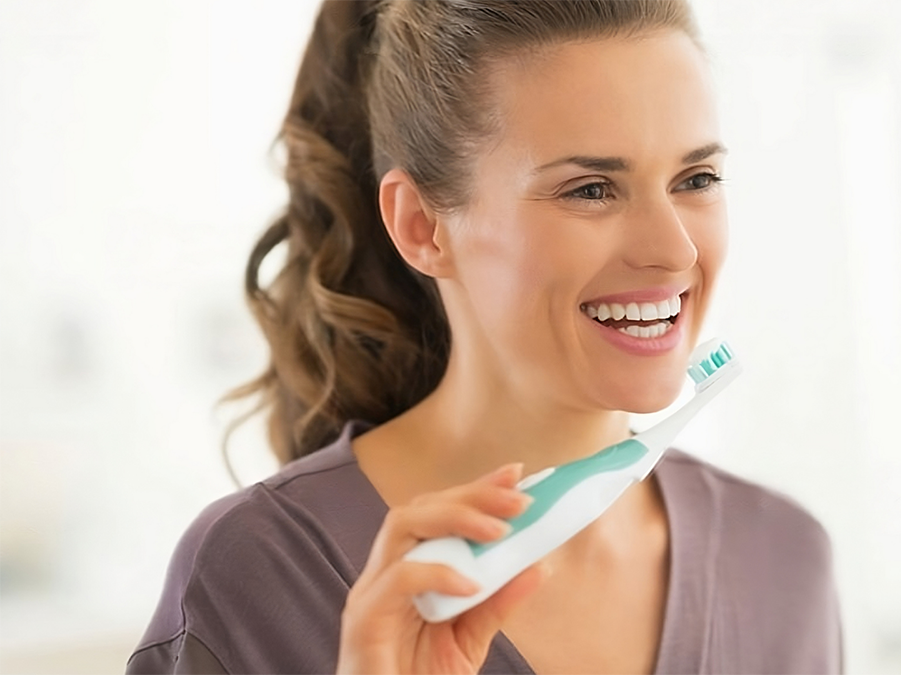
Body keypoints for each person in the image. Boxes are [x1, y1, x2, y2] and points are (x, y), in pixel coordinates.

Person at [126, 0, 843, 673]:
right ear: (422, 225)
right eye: (590, 188)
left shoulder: (781, 560)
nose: (675, 250)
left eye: (697, 177)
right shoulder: (259, 577)